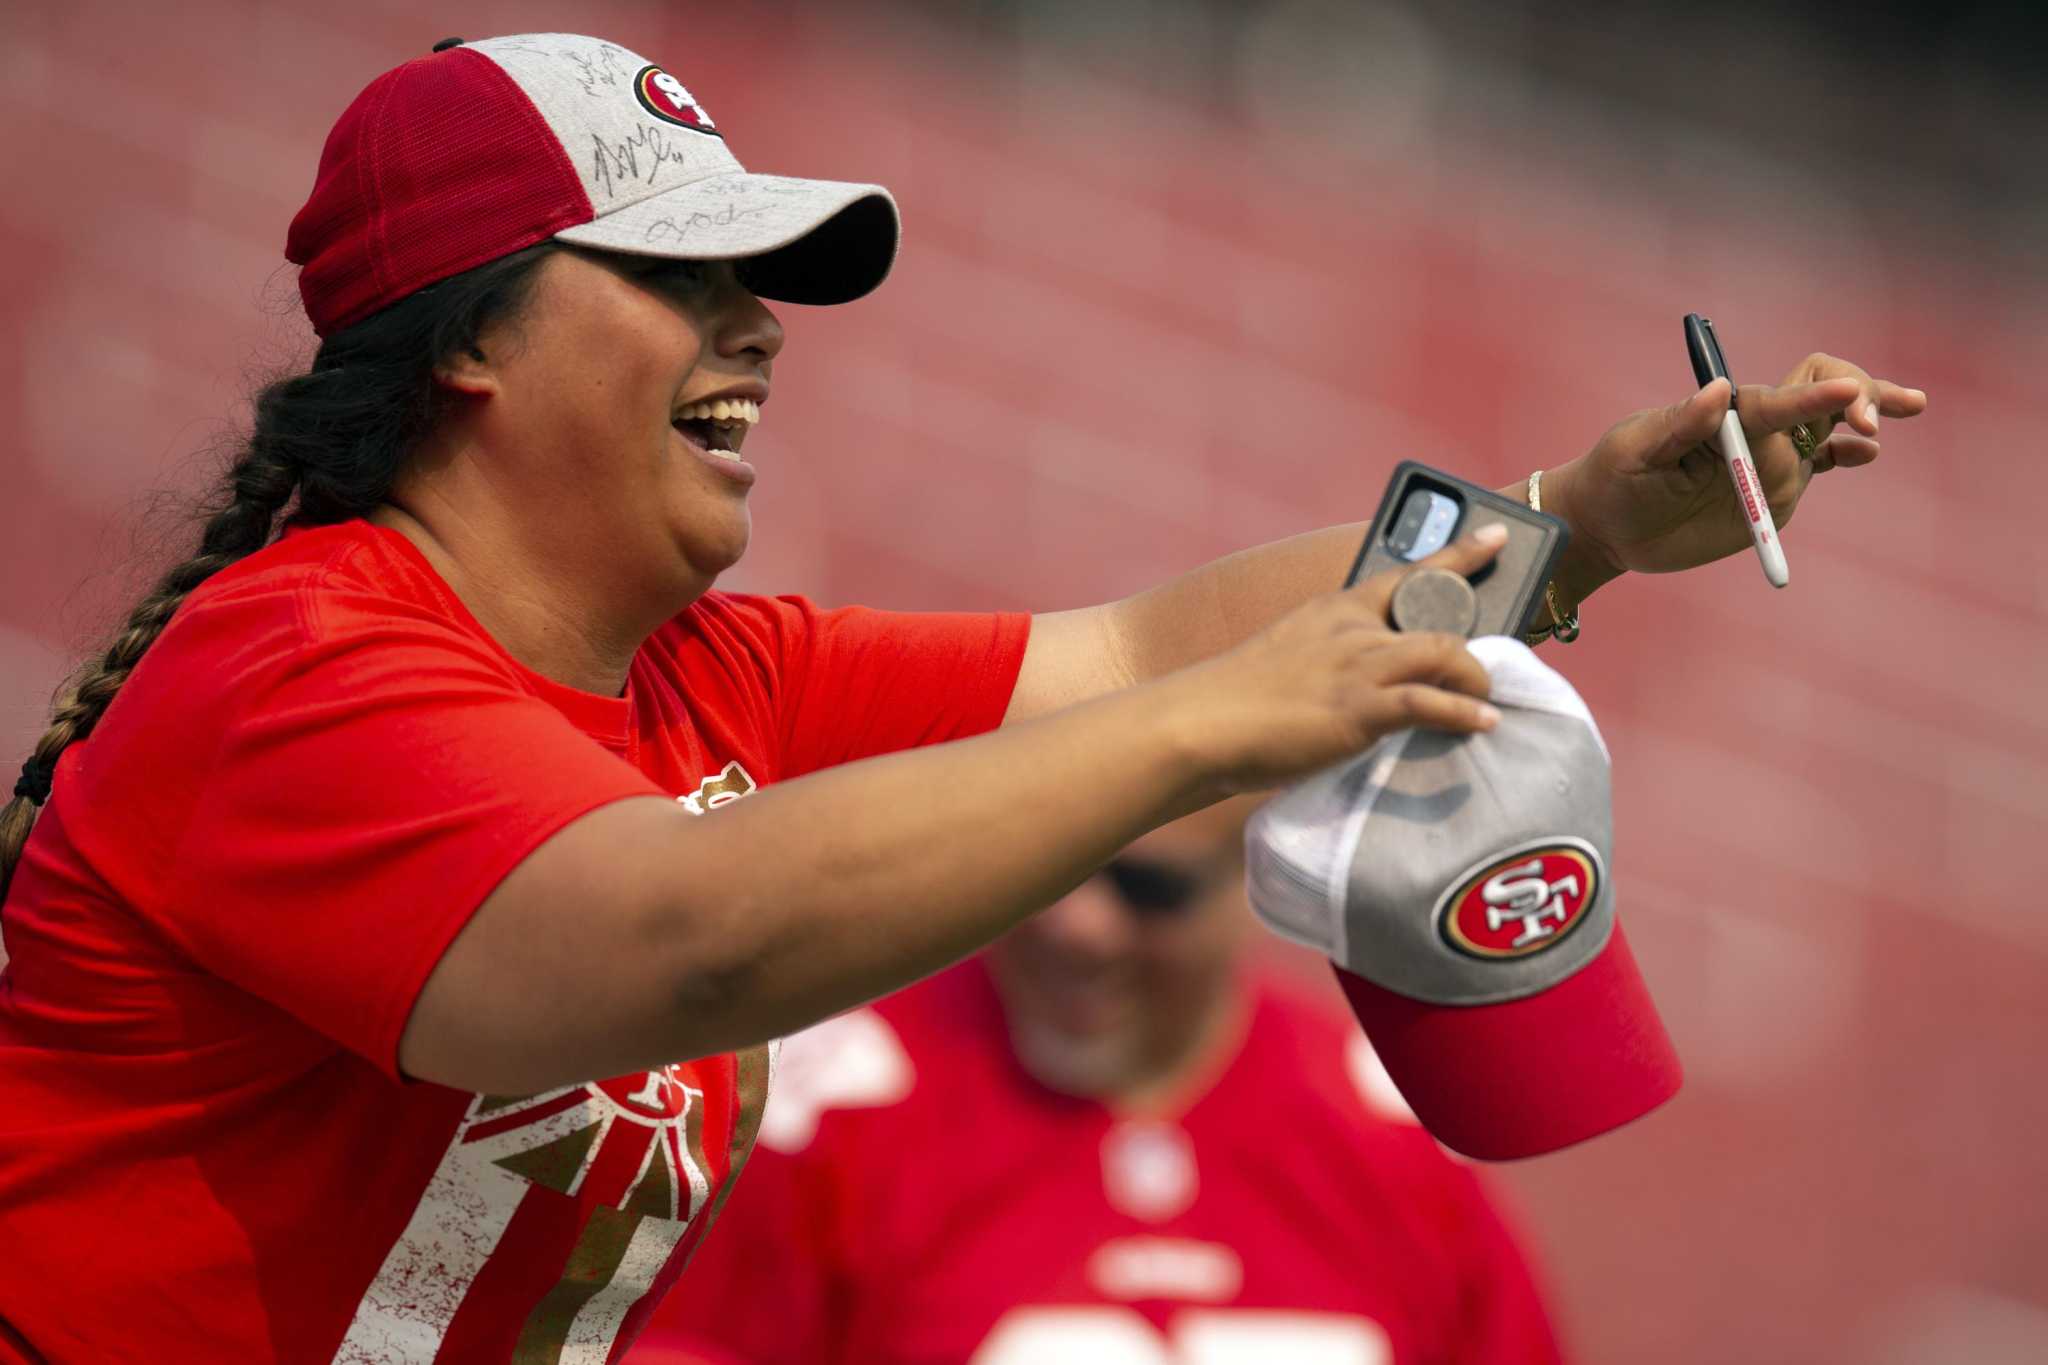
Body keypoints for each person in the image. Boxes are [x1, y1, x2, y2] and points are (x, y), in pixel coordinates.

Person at [0, 30, 1922, 1365]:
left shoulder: (700, 678)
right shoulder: (296, 666)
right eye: (679, 269)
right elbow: (671, 935)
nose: (755, 319)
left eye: (758, 272)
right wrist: (1229, 726)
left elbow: (1146, 651)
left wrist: (1574, 524)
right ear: (468, 341)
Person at [634, 802, 1566, 1364]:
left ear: (1267, 877)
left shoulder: (1391, 1133)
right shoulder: (832, 1110)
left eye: (1148, 890)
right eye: (1050, 863)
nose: (1079, 926)